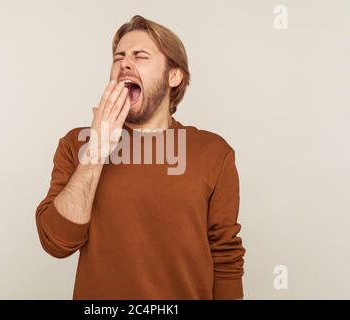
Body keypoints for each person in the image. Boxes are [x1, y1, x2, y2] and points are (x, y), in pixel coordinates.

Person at [35, 15, 245, 300]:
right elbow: (57, 243)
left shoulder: (213, 152)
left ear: (174, 76)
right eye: (118, 57)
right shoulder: (78, 144)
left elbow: (226, 257)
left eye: (140, 56)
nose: (124, 64)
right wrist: (97, 151)